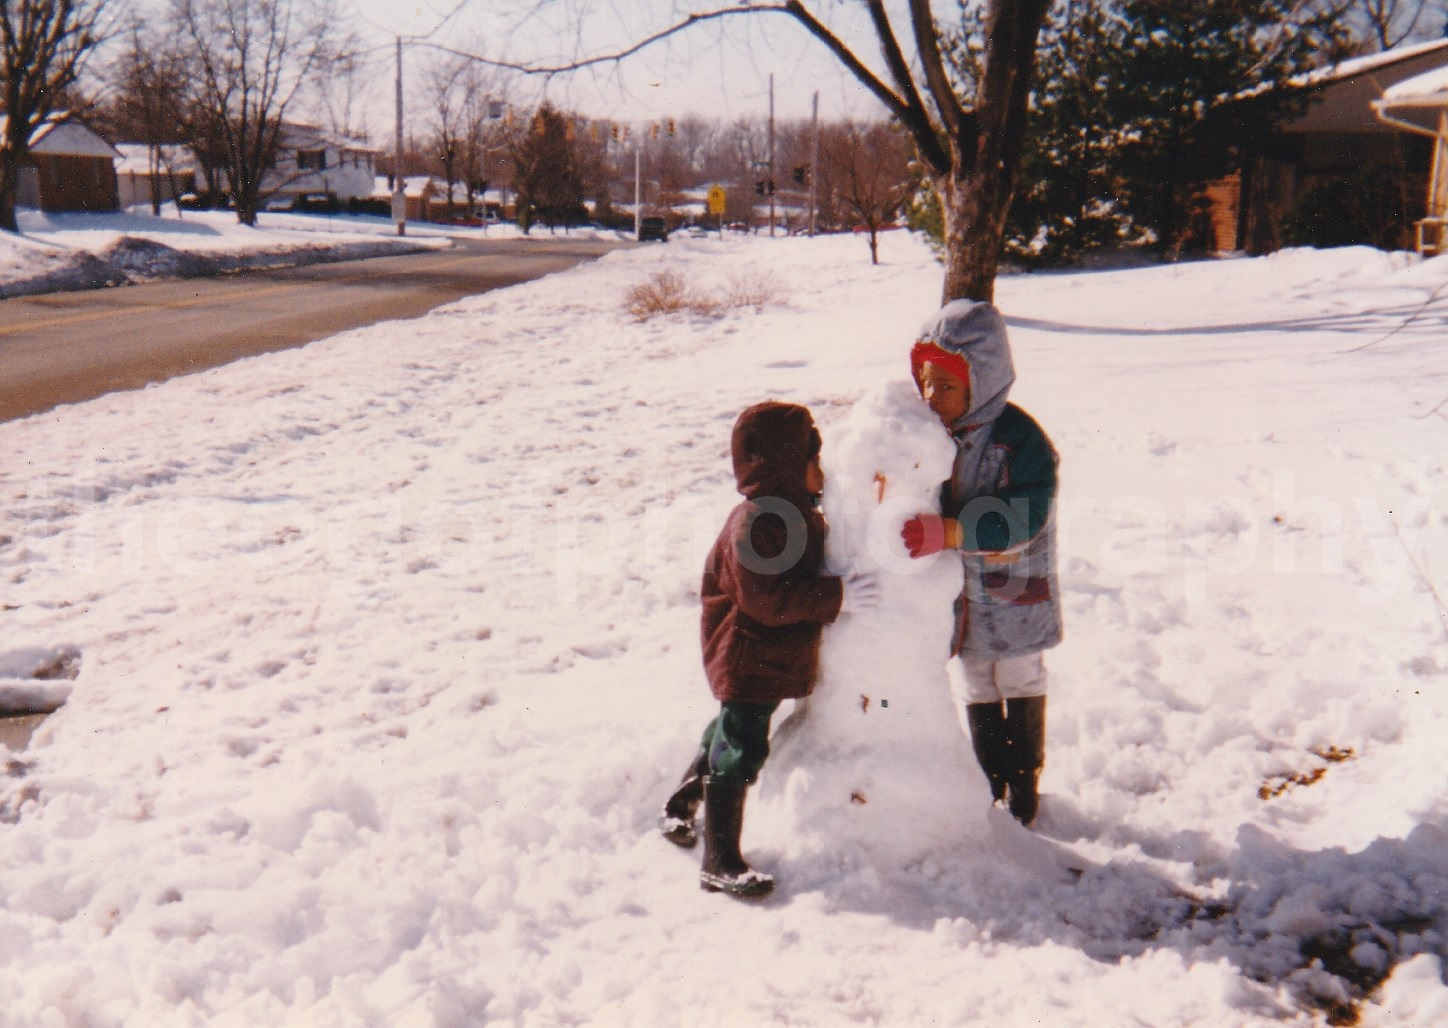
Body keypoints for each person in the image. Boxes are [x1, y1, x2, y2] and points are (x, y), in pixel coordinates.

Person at [659, 401, 880, 898]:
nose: (822, 474)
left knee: (728, 728)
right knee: (742, 746)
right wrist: (835, 597)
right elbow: (764, 598)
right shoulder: (758, 522)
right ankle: (719, 859)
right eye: (813, 461)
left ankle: (680, 803)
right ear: (786, 464)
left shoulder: (790, 514)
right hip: (746, 654)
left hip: (762, 656)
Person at [899, 300, 1062, 826]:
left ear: (983, 382)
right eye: (925, 382)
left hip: (1014, 585)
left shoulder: (1019, 440)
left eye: (946, 386)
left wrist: (951, 530)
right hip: (963, 594)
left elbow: (1026, 513)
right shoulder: (929, 434)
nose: (931, 397)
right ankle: (990, 775)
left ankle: (1025, 776)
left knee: (1018, 674)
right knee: (976, 679)